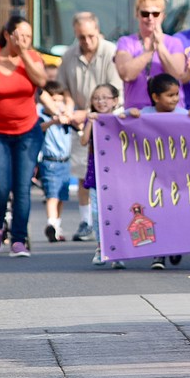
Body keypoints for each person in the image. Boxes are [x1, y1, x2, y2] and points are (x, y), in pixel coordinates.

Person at [0, 16, 47, 258]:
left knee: (22, 188)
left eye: (29, 36)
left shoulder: (33, 57)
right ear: (8, 35)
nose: (25, 40)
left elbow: (41, 81)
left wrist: (25, 53)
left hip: (28, 132)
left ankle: (19, 239)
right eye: (20, 36)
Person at [126, 73, 190, 270]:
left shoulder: (183, 115)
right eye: (170, 95)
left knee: (176, 212)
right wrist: (128, 116)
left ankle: (176, 246)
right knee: (157, 212)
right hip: (153, 176)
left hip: (178, 175)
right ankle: (159, 254)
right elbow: (121, 124)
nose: (175, 99)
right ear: (156, 97)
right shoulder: (144, 115)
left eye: (176, 95)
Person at [59, 12, 119, 241]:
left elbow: (115, 91)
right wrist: (67, 107)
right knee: (84, 173)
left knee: (111, 174)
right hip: (81, 123)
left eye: (91, 36)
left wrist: (88, 112)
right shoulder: (69, 55)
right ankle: (86, 221)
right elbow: (65, 88)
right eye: (82, 37)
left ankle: (112, 219)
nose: (87, 41)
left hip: (109, 121)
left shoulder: (110, 52)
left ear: (98, 31)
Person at [115, 0, 187, 111]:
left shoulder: (174, 42)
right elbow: (126, 75)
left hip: (170, 111)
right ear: (137, 14)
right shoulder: (125, 42)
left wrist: (160, 47)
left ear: (163, 16)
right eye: (145, 13)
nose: (150, 18)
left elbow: (177, 74)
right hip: (136, 111)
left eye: (155, 14)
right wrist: (149, 51)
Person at [83, 83, 125, 269]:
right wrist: (91, 122)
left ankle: (119, 251)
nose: (100, 101)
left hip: (117, 175)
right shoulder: (92, 119)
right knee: (97, 213)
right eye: (96, 98)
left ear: (115, 101)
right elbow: (84, 141)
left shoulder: (120, 119)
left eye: (105, 98)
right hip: (96, 174)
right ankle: (101, 247)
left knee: (118, 212)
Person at [38, 80, 75, 243]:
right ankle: (51, 223)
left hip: (65, 161)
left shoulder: (67, 118)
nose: (58, 104)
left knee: (61, 196)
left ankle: (57, 226)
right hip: (50, 161)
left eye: (60, 100)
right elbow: (40, 128)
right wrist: (54, 120)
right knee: (52, 195)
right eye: (54, 100)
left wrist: (68, 115)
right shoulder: (41, 116)